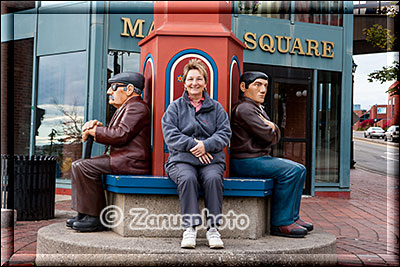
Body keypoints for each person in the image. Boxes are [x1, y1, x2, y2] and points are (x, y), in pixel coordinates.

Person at [230, 71, 313, 238]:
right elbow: (269, 136)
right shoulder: (245, 108)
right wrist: (272, 129)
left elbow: (273, 133)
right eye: (257, 85)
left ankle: (292, 217)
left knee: (300, 169)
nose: (263, 90)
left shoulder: (256, 108)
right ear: (243, 87)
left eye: (265, 86)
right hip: (246, 160)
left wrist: (272, 128)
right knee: (292, 171)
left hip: (258, 158)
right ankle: (281, 222)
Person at [66, 72, 150, 232]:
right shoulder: (127, 107)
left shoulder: (136, 107)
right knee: (78, 165)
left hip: (131, 160)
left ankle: (95, 217)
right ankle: (83, 213)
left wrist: (96, 131)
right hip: (120, 158)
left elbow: (121, 134)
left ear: (130, 88)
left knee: (83, 167)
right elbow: (116, 131)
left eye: (113, 87)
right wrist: (97, 128)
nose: (108, 92)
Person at [161, 59, 231, 249]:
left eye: (199, 79)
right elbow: (170, 135)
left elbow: (224, 134)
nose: (194, 83)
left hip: (211, 161)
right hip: (180, 161)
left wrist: (206, 145)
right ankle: (190, 228)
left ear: (205, 83)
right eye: (190, 79)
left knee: (213, 179)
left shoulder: (216, 108)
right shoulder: (174, 108)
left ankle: (213, 229)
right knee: (187, 178)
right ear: (184, 82)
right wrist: (196, 146)